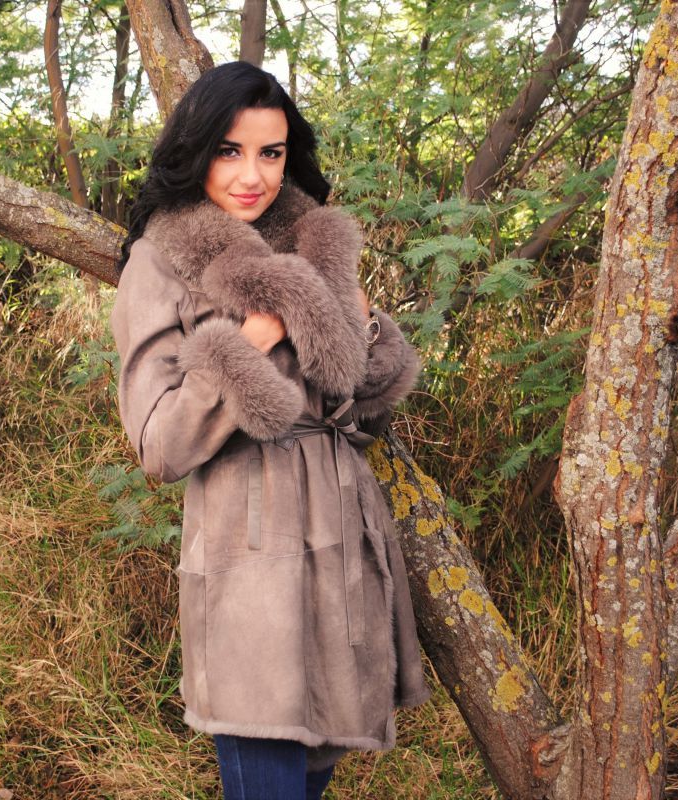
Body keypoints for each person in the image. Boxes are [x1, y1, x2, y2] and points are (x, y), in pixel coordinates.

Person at [110, 61, 430, 800]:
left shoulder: (313, 247)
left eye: (271, 152)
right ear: (197, 152)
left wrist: (364, 325)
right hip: (247, 553)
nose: (252, 175)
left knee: (312, 779)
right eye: (230, 151)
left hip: (340, 543)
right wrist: (244, 348)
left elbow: (366, 403)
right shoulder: (159, 262)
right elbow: (159, 444)